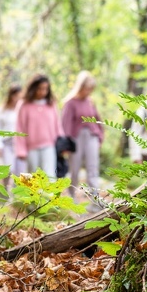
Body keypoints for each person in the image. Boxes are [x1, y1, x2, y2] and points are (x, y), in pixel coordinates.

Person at [61, 71, 104, 209]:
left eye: (92, 89)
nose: (89, 91)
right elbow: (65, 124)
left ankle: (95, 201)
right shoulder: (70, 102)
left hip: (91, 137)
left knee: (93, 168)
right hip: (76, 139)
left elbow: (98, 120)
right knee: (75, 169)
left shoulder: (90, 101)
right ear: (81, 86)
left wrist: (100, 136)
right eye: (88, 88)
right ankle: (72, 197)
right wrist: (66, 144)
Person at [15, 74, 62, 179]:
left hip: (49, 145)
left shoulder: (51, 104)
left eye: (45, 89)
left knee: (50, 176)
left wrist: (62, 143)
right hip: (31, 148)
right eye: (40, 88)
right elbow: (19, 128)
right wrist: (20, 150)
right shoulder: (24, 105)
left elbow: (57, 125)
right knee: (33, 177)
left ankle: (49, 196)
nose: (42, 92)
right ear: (33, 88)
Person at [0, 83, 23, 189]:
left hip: (19, 143)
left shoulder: (22, 109)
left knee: (20, 171)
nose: (17, 99)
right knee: (8, 169)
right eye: (16, 96)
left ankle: (16, 195)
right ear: (11, 96)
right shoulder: (2, 110)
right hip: (6, 142)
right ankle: (4, 190)